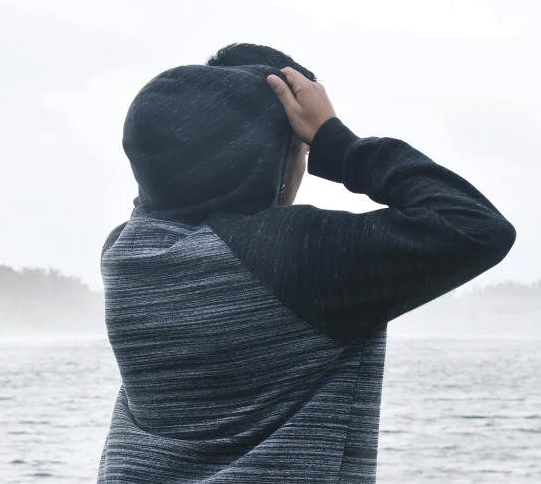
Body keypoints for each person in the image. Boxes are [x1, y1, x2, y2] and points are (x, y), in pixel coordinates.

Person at [97, 43, 516, 483]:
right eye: (298, 149)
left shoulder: (127, 252)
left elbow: (169, 172)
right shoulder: (293, 259)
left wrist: (221, 104)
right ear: (269, 160)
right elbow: (477, 226)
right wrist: (335, 140)